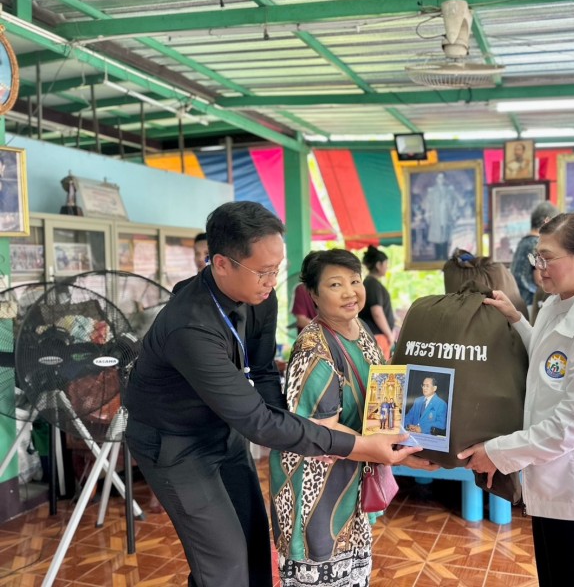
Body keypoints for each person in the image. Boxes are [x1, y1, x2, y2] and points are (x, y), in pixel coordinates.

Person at [124, 202, 419, 587]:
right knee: (225, 563)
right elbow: (258, 422)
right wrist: (360, 446)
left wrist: (293, 428)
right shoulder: (190, 327)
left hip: (223, 428)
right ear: (221, 263)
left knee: (254, 543)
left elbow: (262, 371)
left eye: (276, 269)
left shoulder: (260, 297)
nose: (271, 280)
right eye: (263, 271)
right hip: (174, 445)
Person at [458, 212, 574, 587]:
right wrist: (517, 320)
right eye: (536, 257)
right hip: (553, 481)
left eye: (547, 258)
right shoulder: (559, 304)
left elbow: (572, 425)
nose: (538, 268)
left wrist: (497, 452)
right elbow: (551, 363)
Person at [270, 249, 437, 587]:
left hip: (354, 481)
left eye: (355, 281)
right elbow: (319, 433)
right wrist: (382, 451)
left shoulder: (360, 329)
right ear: (313, 294)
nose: (350, 292)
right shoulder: (313, 349)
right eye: (335, 284)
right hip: (317, 491)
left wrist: (404, 447)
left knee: (354, 575)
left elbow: (379, 406)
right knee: (321, 573)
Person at [510, 201, 559, 317]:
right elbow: (539, 278)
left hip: (517, 301)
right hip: (531, 303)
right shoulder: (537, 243)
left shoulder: (523, 242)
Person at [358, 245, 395, 359]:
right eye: (386, 264)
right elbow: (377, 312)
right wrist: (389, 334)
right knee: (380, 368)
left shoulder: (370, 283)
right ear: (379, 265)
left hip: (375, 335)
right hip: (377, 336)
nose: (387, 267)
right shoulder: (372, 284)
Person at [424, 173, 457, 259]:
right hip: (436, 216)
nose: (441, 180)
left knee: (445, 235)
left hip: (445, 215)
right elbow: (428, 204)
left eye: (442, 178)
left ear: (444, 179)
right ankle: (437, 256)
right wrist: (428, 215)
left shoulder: (448, 191)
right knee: (437, 235)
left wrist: (452, 214)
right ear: (436, 179)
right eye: (439, 178)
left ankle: (445, 255)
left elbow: (453, 204)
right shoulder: (432, 191)